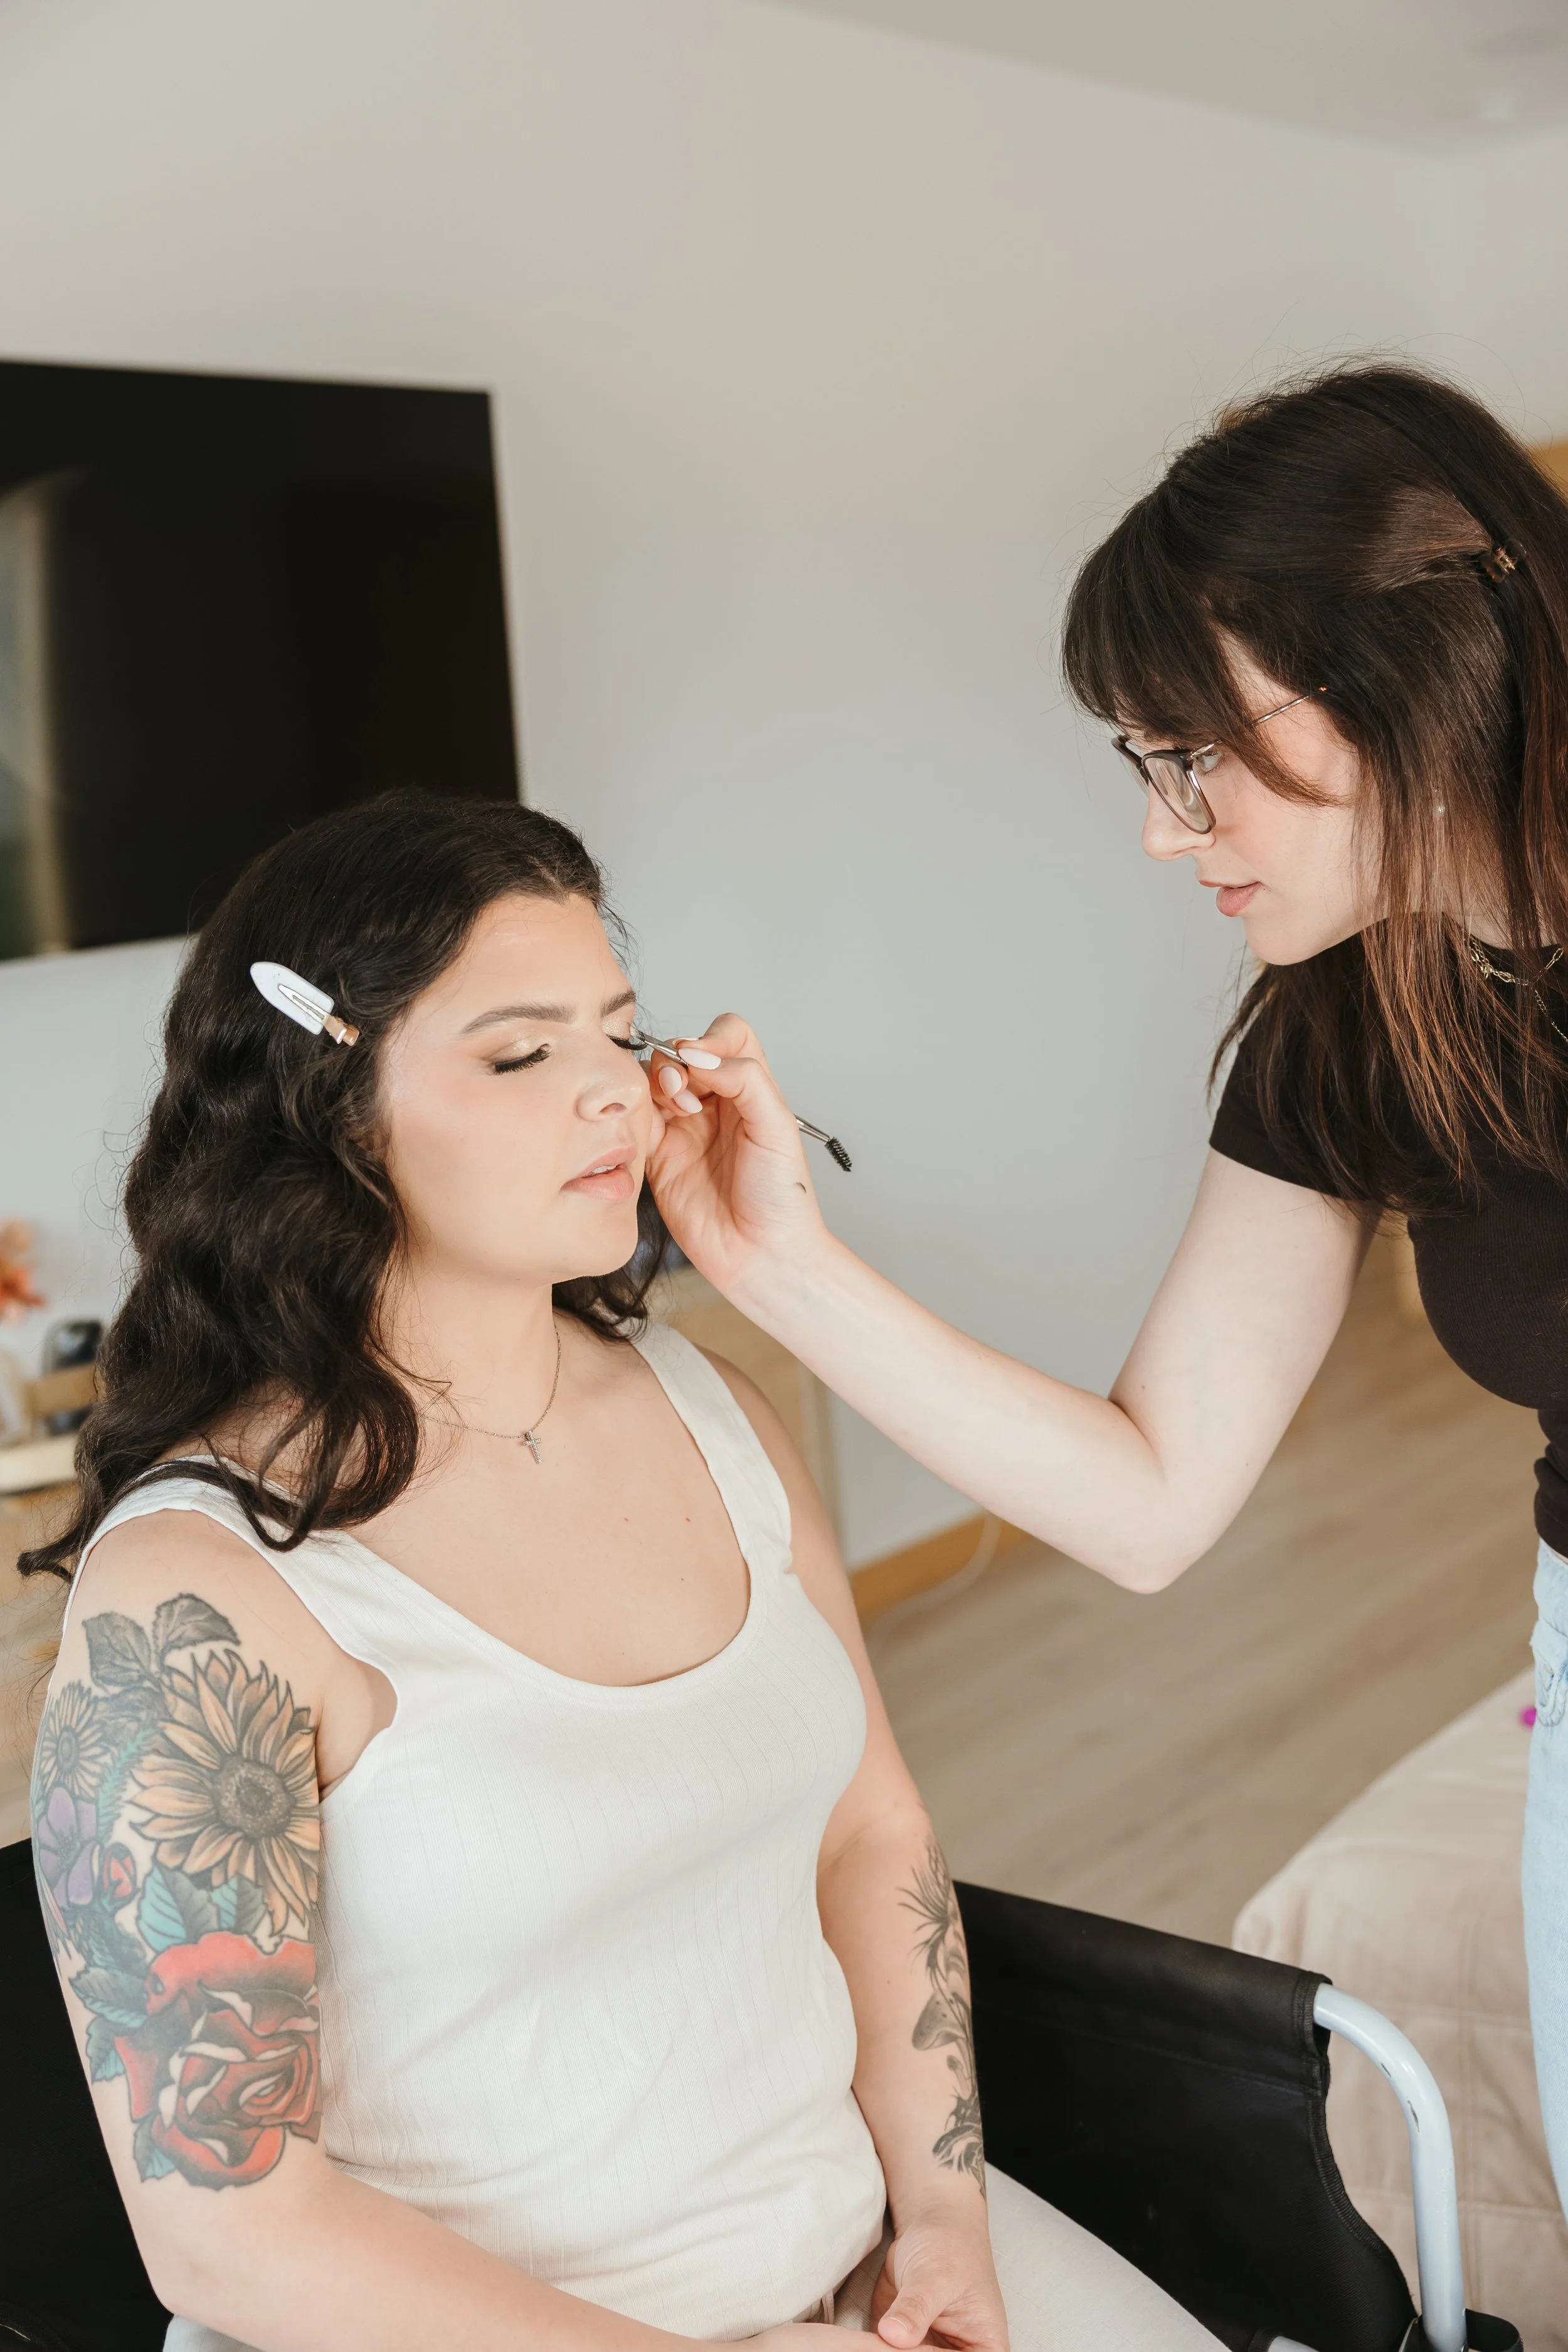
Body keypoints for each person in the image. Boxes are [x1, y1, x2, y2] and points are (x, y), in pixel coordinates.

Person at [24, 790, 1212, 2352]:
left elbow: (870, 1829)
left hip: (865, 2266)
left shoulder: (711, 1412)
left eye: (617, 1029)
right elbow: (229, 2240)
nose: (616, 1093)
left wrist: (938, 2217)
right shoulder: (195, 1601)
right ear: (327, 1110)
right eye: (521, 1054)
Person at [643, 362, 1568, 2212]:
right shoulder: (1349, 1026)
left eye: (1193, 754)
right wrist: (778, 1265)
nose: (1163, 827)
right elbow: (1148, 1498)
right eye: (1144, 763)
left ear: (1409, 670)